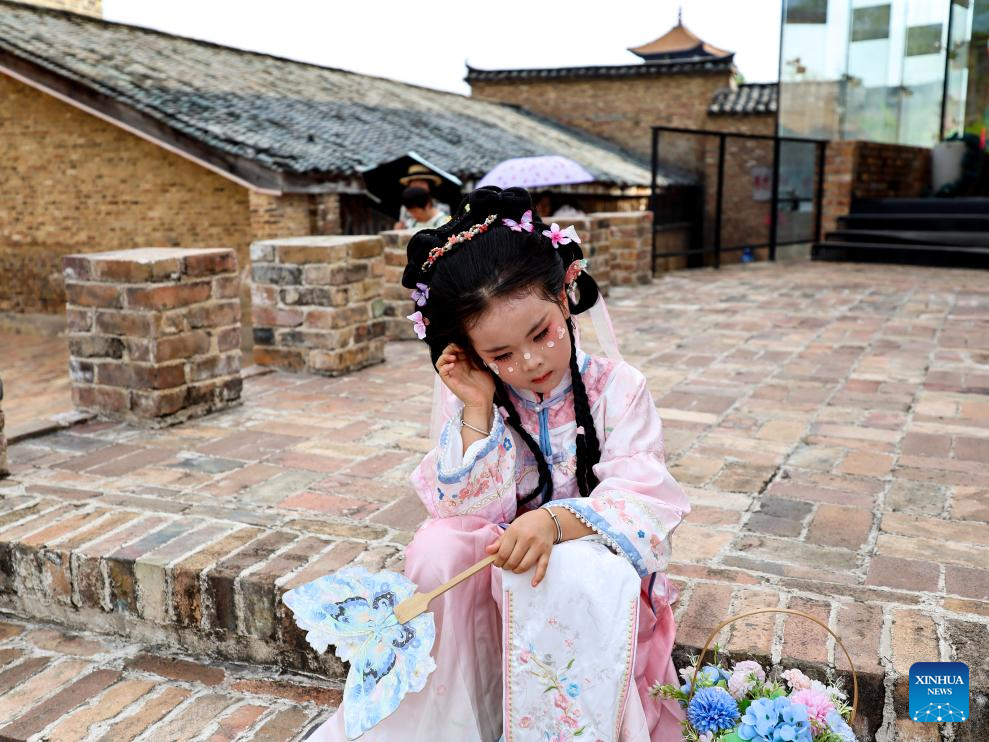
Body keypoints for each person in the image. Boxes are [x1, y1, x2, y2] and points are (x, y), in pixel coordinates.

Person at [306, 187, 689, 741]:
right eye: (501, 354)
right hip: (505, 559)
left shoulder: (617, 389)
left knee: (566, 569)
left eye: (541, 333)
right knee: (437, 547)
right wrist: (477, 407)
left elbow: (643, 494)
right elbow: (463, 514)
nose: (531, 361)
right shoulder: (483, 398)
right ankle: (456, 722)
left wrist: (554, 523)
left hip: (590, 559)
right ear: (471, 353)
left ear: (565, 295)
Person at [395, 163, 451, 229]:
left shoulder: (443, 208)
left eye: (421, 183)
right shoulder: (405, 208)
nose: (418, 186)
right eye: (414, 183)